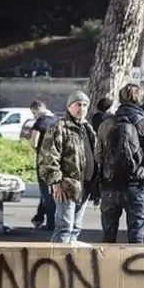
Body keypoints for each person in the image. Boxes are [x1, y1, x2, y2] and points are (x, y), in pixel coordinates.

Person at [95, 83, 144, 244]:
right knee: (136, 239)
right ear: (141, 100)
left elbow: (98, 157)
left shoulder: (106, 124)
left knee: (107, 238)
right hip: (135, 187)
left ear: (120, 99)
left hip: (109, 187)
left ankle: (106, 268)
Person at [38, 90, 98, 243]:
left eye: (85, 105)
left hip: (85, 186)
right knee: (64, 228)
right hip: (67, 187)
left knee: (76, 228)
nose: (82, 108)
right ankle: (56, 261)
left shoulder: (87, 129)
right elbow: (48, 157)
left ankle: (69, 261)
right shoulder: (59, 127)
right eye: (78, 104)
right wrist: (56, 183)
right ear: (70, 106)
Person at [28, 100, 57, 230]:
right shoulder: (57, 120)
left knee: (46, 192)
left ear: (38, 109)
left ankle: (51, 222)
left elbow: (34, 142)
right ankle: (39, 217)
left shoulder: (40, 122)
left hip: (43, 161)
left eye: (34, 113)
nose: (34, 116)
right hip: (56, 161)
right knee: (50, 191)